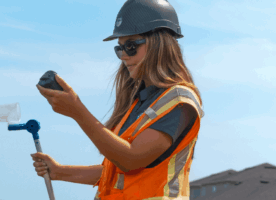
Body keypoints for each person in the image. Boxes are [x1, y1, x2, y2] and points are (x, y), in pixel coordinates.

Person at [31, 0, 204, 199]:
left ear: (159, 43)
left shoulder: (179, 101)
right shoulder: (138, 105)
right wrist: (60, 172)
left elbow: (130, 159)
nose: (123, 56)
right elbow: (118, 172)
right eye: (119, 48)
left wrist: (77, 111)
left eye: (130, 46)